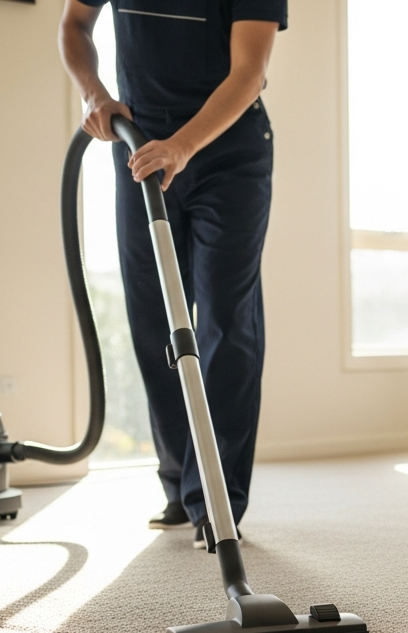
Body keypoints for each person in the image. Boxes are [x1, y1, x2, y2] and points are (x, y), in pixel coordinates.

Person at [58, 0, 286, 548]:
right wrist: (96, 94)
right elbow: (73, 24)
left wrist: (182, 146)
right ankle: (180, 481)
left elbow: (249, 73)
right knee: (154, 317)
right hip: (140, 147)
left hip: (226, 152)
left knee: (226, 322)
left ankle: (217, 498)